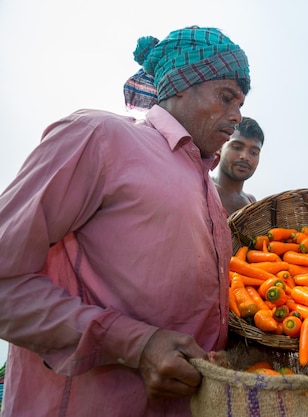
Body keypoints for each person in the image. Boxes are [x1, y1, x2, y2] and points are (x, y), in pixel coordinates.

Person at [0, 26, 250, 417]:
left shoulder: (208, 189)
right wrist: (135, 344)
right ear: (180, 85)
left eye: (240, 103)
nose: (237, 116)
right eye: (226, 97)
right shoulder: (99, 137)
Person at [212, 116, 264, 215]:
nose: (245, 156)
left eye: (253, 153)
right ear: (220, 148)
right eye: (237, 147)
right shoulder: (203, 189)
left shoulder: (251, 203)